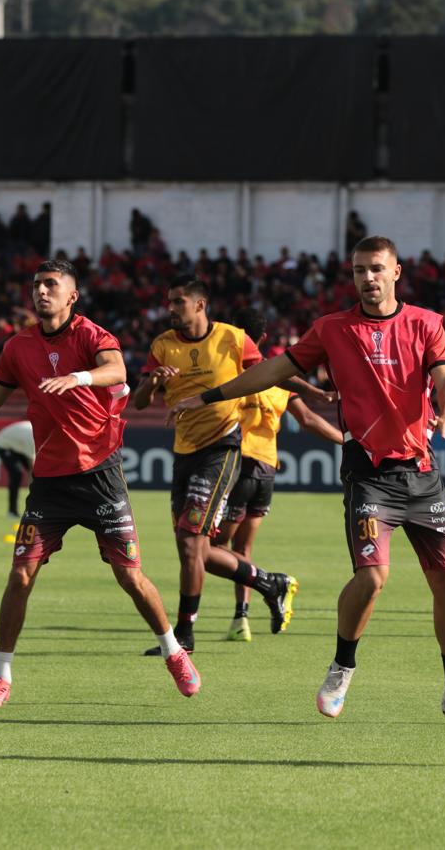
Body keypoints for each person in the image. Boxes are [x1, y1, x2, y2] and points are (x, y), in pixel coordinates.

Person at [171, 235, 445, 726]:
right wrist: (212, 394)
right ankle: (342, 667)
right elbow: (274, 369)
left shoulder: (426, 324)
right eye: (359, 270)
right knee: (372, 577)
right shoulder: (332, 329)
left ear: (396, 272)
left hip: (422, 473)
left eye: (376, 269)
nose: (367, 278)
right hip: (369, 473)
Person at [0, 259, 200, 708]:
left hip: (100, 474)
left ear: (72, 295)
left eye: (52, 285)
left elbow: (118, 371)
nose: (42, 292)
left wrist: (77, 378)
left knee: (130, 577)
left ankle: (174, 652)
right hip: (50, 483)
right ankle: (1, 678)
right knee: (20, 574)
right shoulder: (18, 347)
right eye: (37, 285)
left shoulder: (93, 336)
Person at [132, 277, 300, 654]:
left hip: (223, 448)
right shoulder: (162, 345)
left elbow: (270, 374)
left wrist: (314, 392)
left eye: (178, 302)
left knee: (193, 543)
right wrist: (153, 381)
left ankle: (184, 634)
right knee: (195, 551)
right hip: (184, 450)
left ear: (200, 304)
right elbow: (141, 400)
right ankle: (269, 582)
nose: (171, 308)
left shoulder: (232, 338)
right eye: (169, 302)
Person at [214, 308, 344, 643]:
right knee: (242, 547)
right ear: (263, 338)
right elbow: (309, 421)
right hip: (267, 470)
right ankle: (240, 619)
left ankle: (271, 585)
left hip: (238, 466)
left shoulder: (228, 373)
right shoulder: (276, 378)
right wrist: (346, 440)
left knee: (209, 548)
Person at [0, 420, 35, 518]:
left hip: (18, 446)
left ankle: (34, 509)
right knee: (17, 474)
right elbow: (31, 466)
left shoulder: (36, 432)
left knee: (36, 476)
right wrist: (33, 487)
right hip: (3, 444)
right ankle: (12, 511)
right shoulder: (31, 437)